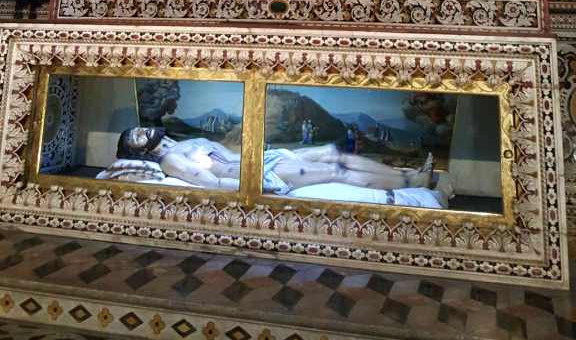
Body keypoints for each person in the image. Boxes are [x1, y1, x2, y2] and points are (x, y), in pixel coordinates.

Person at [114, 126, 438, 196]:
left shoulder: (180, 143)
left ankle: (404, 173)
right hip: (259, 170)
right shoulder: (172, 158)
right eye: (138, 137)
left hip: (263, 158)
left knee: (332, 151)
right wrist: (259, 186)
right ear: (143, 152)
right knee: (336, 170)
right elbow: (210, 182)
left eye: (139, 129)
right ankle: (414, 183)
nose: (143, 131)